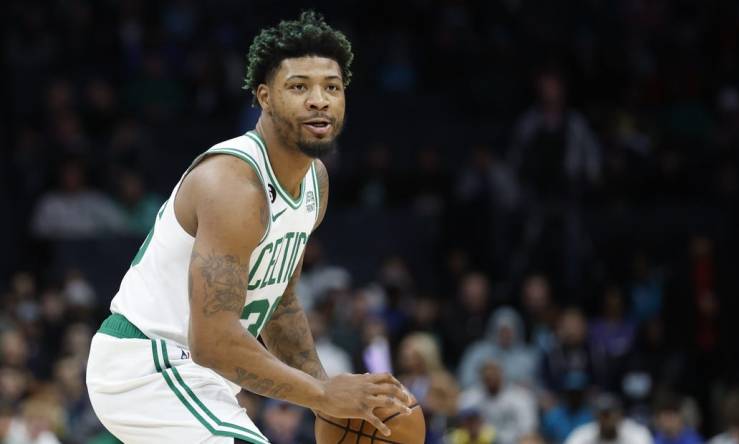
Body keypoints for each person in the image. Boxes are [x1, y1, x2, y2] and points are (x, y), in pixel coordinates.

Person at [85, 12, 412, 444]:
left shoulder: (315, 182)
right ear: (264, 98)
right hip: (148, 364)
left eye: (331, 87)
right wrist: (322, 393)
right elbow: (213, 341)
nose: (319, 100)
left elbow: (279, 301)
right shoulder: (233, 185)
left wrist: (323, 393)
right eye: (299, 87)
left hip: (203, 375)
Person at [458, 360, 538, 444]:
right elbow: (462, 427)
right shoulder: (470, 398)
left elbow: (528, 430)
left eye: (494, 374)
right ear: (481, 377)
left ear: (502, 373)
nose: (491, 378)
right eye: (487, 376)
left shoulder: (520, 397)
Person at [565, 393, 653, 444]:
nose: (608, 418)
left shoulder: (637, 434)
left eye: (611, 413)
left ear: (620, 414)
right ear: (596, 416)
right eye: (604, 414)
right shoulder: (582, 435)